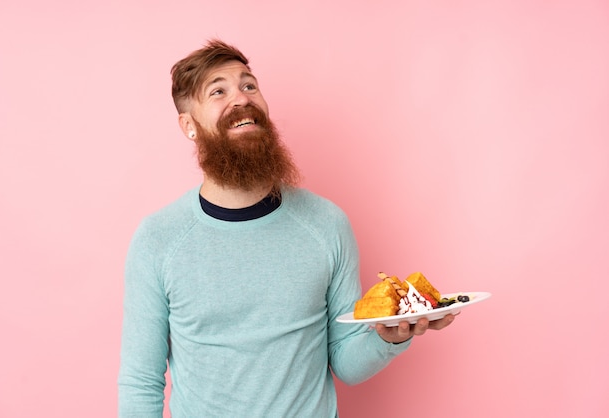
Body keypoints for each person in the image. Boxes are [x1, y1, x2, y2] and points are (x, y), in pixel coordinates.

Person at [117, 39, 455, 418]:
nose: (242, 99)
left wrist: (390, 337)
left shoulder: (326, 224)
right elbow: (141, 382)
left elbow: (346, 362)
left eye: (249, 85)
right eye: (218, 91)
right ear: (189, 126)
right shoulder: (159, 240)